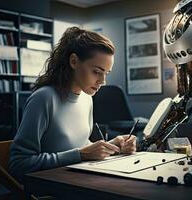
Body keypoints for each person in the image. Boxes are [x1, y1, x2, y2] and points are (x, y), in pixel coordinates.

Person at [9, 27, 136, 180]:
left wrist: (114, 146)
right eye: (96, 71)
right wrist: (80, 155)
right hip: (53, 189)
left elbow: (78, 147)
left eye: (106, 73)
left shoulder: (87, 99)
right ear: (74, 61)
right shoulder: (44, 98)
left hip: (80, 180)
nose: (103, 81)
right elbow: (19, 164)